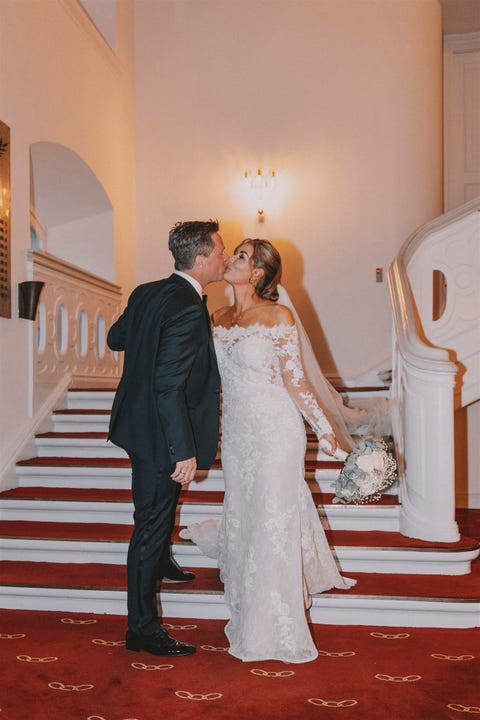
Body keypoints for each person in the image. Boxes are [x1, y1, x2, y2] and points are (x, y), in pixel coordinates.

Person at [182, 239, 356, 664]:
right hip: (237, 434)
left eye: (241, 256)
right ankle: (248, 595)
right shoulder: (217, 317)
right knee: (247, 509)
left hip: (277, 430)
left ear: (257, 272)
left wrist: (325, 429)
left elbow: (296, 381)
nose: (231, 259)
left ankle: (272, 623)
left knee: (272, 516)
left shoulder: (279, 316)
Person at [107, 220, 228, 657]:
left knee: (156, 514)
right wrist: (182, 449)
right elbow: (167, 384)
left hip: (137, 424)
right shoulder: (188, 308)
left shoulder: (146, 292)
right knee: (150, 525)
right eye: (220, 252)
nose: (225, 258)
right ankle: (142, 629)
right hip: (160, 434)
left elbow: (115, 338)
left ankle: (162, 560)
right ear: (201, 259)